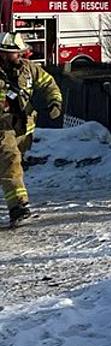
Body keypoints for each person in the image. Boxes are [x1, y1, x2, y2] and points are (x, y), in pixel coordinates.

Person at [0, 32, 62, 226]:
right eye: (14, 53)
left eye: (20, 52)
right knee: (12, 161)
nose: (19, 56)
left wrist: (55, 103)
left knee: (11, 165)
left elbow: (49, 84)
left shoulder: (29, 70)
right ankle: (18, 207)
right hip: (3, 127)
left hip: (23, 129)